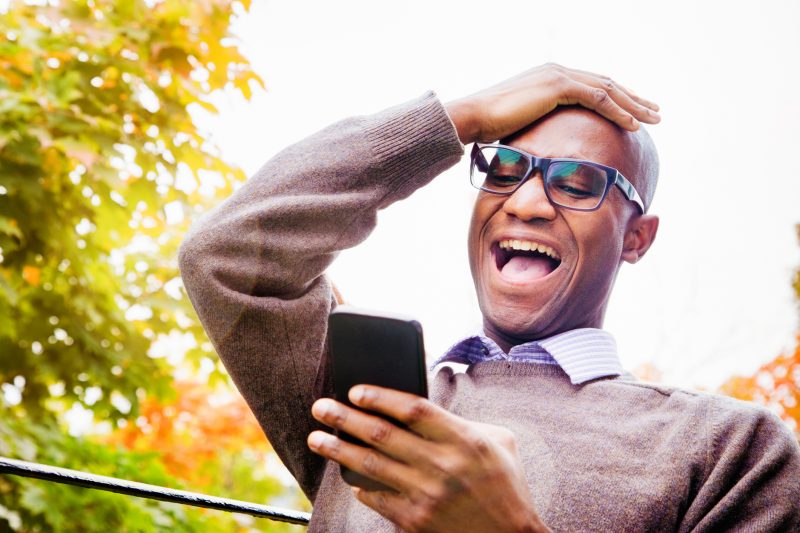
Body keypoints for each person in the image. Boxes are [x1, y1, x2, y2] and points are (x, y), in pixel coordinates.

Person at [178, 64, 800, 532]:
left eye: (578, 183)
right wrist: (459, 119)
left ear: (637, 238)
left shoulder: (732, 449)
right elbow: (227, 252)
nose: (525, 203)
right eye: (503, 168)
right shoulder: (366, 404)